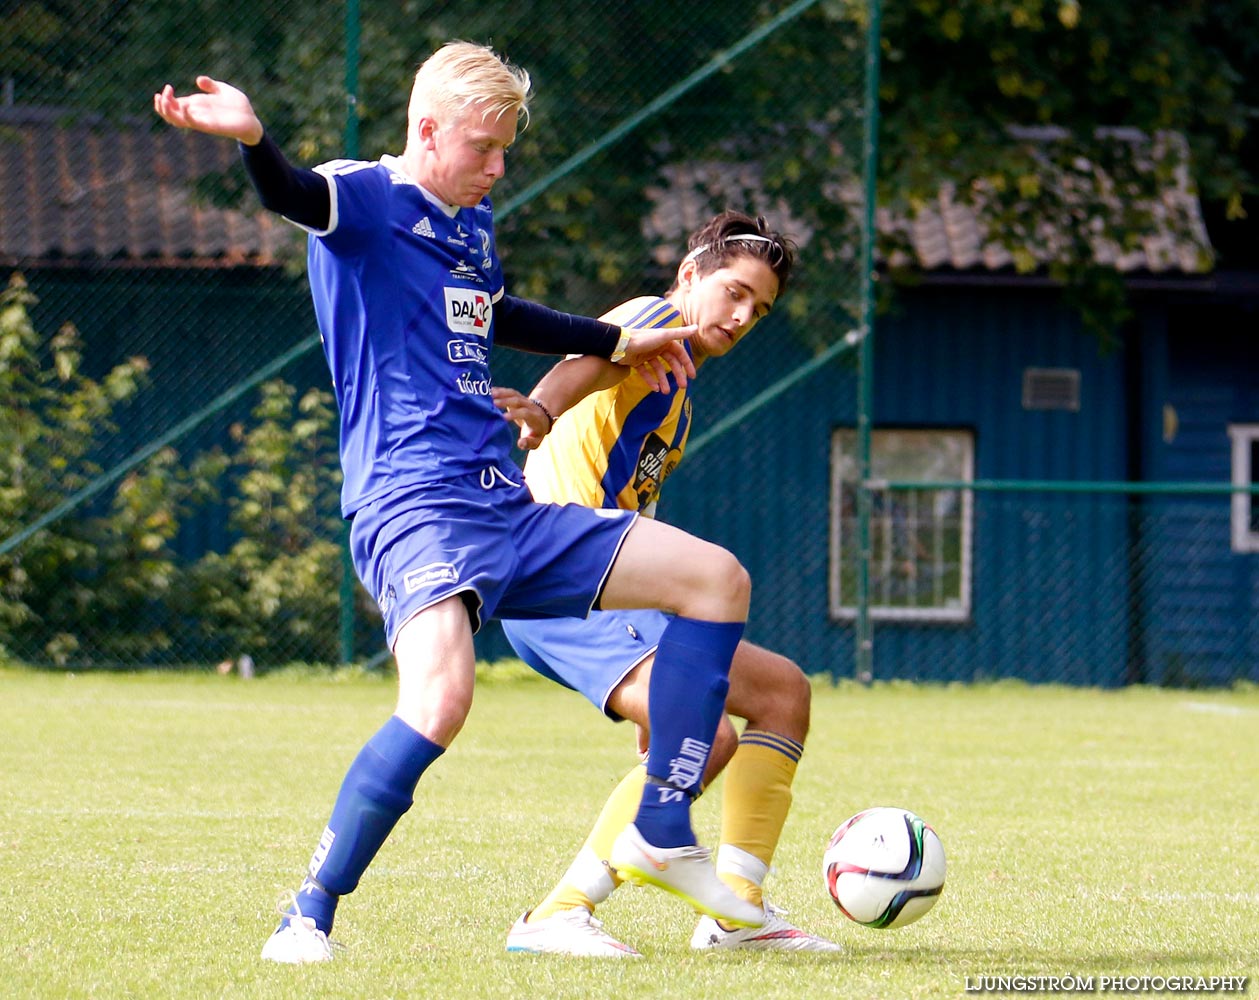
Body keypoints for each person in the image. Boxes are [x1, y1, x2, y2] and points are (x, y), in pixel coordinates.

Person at [153, 41, 765, 964]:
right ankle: (308, 912)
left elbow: (499, 313)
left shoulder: (469, 227)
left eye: (507, 148)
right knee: (440, 699)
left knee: (717, 580)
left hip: (504, 505)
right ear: (428, 131)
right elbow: (290, 195)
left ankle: (659, 829)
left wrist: (616, 341)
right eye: (484, 146)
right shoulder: (363, 196)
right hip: (416, 501)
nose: (498, 165)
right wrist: (252, 140)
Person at [499, 211, 842, 956]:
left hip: (614, 586)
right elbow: (589, 356)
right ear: (690, 275)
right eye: (733, 291)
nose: (743, 314)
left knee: (783, 694)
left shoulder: (675, 393)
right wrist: (542, 409)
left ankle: (736, 915)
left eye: (759, 308)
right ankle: (556, 917)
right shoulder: (653, 321)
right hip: (560, 579)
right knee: (706, 735)